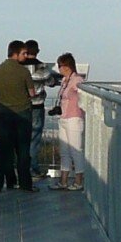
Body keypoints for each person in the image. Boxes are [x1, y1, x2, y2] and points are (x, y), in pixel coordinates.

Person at [0, 40, 36, 192]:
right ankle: (25, 183)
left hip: (4, 114)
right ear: (16, 54)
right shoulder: (24, 72)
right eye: (23, 53)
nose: (26, 56)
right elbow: (32, 93)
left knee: (3, 150)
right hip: (23, 114)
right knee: (23, 151)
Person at [53, 52, 86, 190]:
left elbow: (82, 95)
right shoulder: (64, 81)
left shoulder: (77, 80)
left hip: (74, 118)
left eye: (61, 66)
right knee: (65, 151)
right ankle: (64, 180)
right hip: (64, 118)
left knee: (76, 150)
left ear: (67, 66)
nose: (60, 69)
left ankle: (79, 181)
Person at [24, 39, 53, 178]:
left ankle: (22, 167)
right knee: (34, 138)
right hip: (37, 106)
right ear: (37, 51)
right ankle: (33, 168)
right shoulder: (42, 67)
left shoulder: (18, 66)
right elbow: (50, 81)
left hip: (21, 107)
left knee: (22, 138)